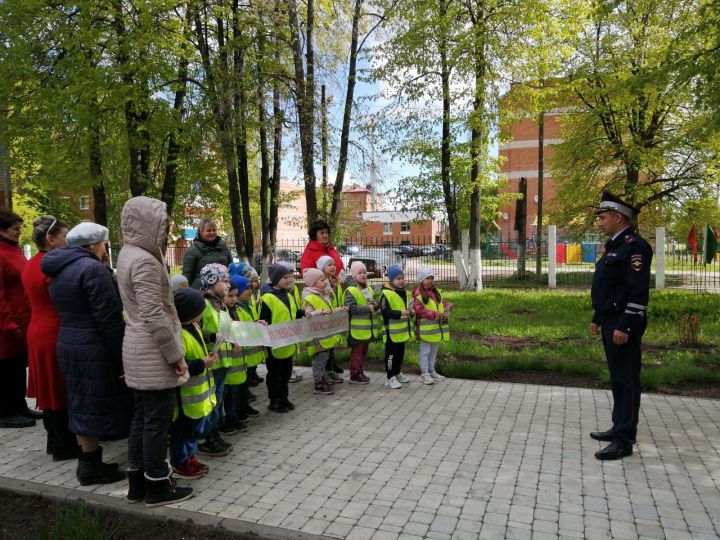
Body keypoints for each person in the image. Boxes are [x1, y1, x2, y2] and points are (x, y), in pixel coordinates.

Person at [41, 222, 133, 486]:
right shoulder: (92, 269)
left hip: (69, 341)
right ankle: (91, 469)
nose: (105, 249)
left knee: (81, 402)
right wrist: (122, 355)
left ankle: (89, 461)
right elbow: (109, 317)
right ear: (93, 245)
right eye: (104, 244)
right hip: (93, 344)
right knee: (93, 404)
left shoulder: (60, 268)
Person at [116, 196, 192, 507]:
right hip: (152, 352)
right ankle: (158, 485)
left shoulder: (128, 253)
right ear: (148, 225)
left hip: (137, 347)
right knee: (156, 423)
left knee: (141, 419)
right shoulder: (145, 261)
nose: (166, 233)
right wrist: (176, 355)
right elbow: (154, 314)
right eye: (163, 227)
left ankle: (137, 485)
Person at [589, 191, 652, 461]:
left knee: (626, 380)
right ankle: (619, 427)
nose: (600, 222)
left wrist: (625, 326)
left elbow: (637, 293)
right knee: (617, 379)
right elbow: (610, 287)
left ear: (617, 217)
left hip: (623, 324)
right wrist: (597, 317)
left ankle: (624, 441)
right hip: (610, 320)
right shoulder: (615, 246)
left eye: (603, 217)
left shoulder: (634, 247)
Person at [21, 216, 77, 459]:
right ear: (51, 240)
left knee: (48, 390)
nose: (68, 241)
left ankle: (54, 441)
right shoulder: (53, 266)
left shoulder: (31, 263)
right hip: (55, 329)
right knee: (60, 389)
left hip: (37, 330)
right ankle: (64, 444)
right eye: (65, 237)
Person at [170, 287, 218, 480]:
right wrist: (202, 363)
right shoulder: (180, 334)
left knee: (194, 431)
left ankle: (190, 457)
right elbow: (180, 366)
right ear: (191, 313)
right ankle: (179, 463)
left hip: (198, 399)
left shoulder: (194, 327)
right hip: (185, 401)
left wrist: (206, 356)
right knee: (182, 433)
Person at [0, 210, 37, 428]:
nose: (19, 232)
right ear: (2, 230)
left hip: (22, 319)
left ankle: (19, 406)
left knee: (17, 365)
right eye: (15, 228)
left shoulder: (14, 250)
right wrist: (7, 322)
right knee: (6, 367)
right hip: (6, 323)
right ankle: (5, 412)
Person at [260, 264, 310, 412]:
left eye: (290, 277)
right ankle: (274, 401)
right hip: (275, 344)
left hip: (288, 342)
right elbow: (264, 319)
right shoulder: (267, 298)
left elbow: (293, 313)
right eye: (285, 277)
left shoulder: (288, 295)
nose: (289, 280)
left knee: (286, 374)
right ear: (276, 279)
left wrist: (304, 313)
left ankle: (284, 398)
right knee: (275, 375)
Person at [198, 263, 235, 456]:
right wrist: (213, 337)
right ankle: (207, 437)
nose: (229, 285)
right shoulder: (204, 304)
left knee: (218, 400)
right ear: (212, 281)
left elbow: (227, 328)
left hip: (222, 361)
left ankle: (214, 433)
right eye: (225, 281)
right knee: (212, 402)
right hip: (211, 363)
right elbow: (196, 330)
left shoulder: (220, 304)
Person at [302, 269, 346, 395]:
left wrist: (338, 310)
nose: (325, 282)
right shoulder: (310, 297)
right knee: (319, 360)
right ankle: (319, 383)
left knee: (324, 358)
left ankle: (323, 378)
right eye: (322, 280)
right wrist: (320, 311)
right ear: (313, 283)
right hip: (317, 337)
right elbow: (308, 314)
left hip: (324, 336)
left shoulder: (322, 295)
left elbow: (329, 311)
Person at [412, 267, 453, 385]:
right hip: (425, 330)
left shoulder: (436, 292)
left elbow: (439, 305)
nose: (430, 280)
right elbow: (419, 311)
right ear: (421, 280)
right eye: (427, 278)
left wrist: (447, 306)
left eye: (432, 278)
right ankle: (424, 373)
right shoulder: (419, 295)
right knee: (425, 352)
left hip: (435, 329)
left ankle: (431, 370)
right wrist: (435, 314)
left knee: (433, 351)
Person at [344, 261, 381, 384]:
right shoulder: (351, 290)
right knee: (357, 353)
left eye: (365, 272)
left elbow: (371, 302)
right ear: (354, 275)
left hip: (367, 329)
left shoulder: (368, 289)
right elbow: (350, 308)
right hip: (356, 329)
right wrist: (368, 308)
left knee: (363, 352)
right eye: (360, 273)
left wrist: (375, 305)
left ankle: (360, 370)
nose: (363, 275)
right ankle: (354, 374)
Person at [380, 265, 414, 389]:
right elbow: (385, 312)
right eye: (398, 278)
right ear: (391, 280)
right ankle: (390, 377)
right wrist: (400, 313)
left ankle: (397, 372)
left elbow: (404, 307)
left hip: (402, 331)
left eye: (402, 278)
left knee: (400, 353)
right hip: (391, 331)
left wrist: (410, 312)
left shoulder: (403, 291)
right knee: (391, 355)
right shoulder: (386, 294)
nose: (401, 281)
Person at [316, 255, 345, 382]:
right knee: (325, 348)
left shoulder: (335, 281)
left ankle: (330, 370)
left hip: (335, 317)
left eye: (334, 264)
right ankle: (325, 372)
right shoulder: (321, 283)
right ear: (322, 268)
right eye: (329, 265)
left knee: (332, 346)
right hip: (326, 317)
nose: (333, 267)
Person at [182, 218, 232, 289]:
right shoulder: (193, 250)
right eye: (208, 230)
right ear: (200, 232)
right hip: (201, 291)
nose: (212, 232)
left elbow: (231, 268)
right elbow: (187, 275)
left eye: (214, 230)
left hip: (223, 290)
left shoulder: (223, 248)